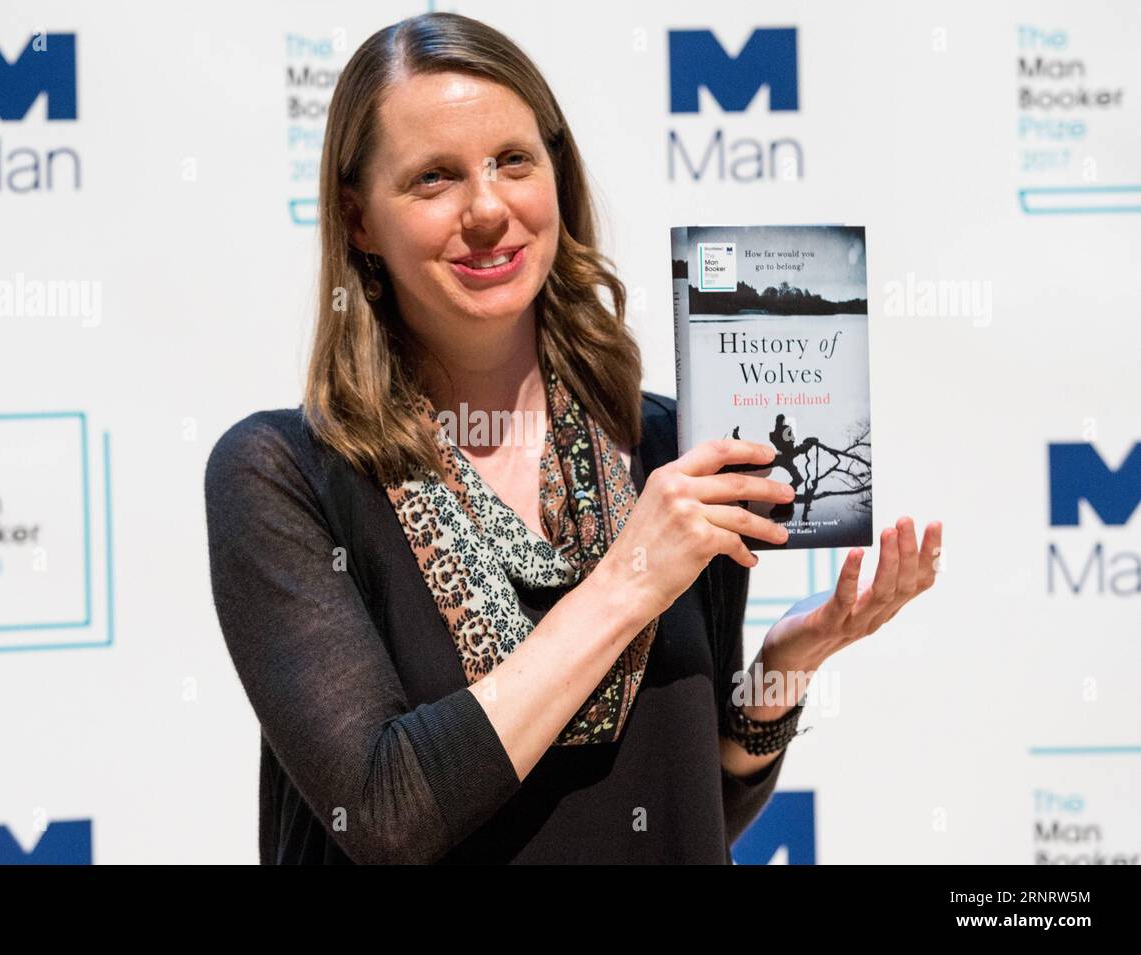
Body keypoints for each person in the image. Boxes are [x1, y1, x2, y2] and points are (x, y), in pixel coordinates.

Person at [203, 11, 942, 864]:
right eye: (433, 179)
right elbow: (383, 813)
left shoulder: (669, 445)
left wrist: (783, 668)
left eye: (513, 161)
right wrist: (631, 577)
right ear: (360, 220)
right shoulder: (282, 477)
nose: (487, 209)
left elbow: (679, 803)